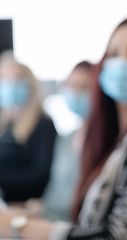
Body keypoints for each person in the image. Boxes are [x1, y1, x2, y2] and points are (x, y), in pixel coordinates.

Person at [0, 18, 127, 240]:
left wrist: (19, 226)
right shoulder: (122, 138)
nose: (123, 63)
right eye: (113, 55)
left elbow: (123, 236)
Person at [25, 61, 94, 221]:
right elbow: (52, 190)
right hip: (46, 215)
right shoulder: (66, 137)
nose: (76, 93)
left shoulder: (104, 141)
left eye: (84, 88)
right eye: (72, 85)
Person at [0, 51, 57, 203]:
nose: (9, 85)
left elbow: (40, 175)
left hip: (26, 205)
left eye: (16, 79)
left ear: (29, 85)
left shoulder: (43, 124)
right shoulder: (5, 125)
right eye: (4, 79)